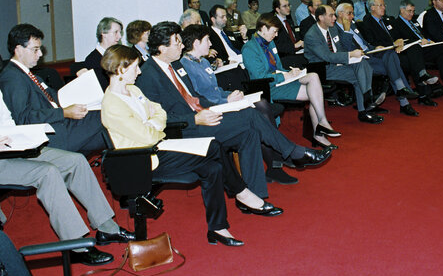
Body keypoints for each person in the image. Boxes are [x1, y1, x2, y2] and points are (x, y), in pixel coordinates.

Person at [0, 43, 135, 265]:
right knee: (47, 173)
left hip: (5, 149)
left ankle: (107, 227)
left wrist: (21, 135)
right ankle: (75, 245)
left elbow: (6, 122)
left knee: (75, 161)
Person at [101, 45, 279, 247]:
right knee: (213, 148)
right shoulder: (112, 105)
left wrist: (153, 123)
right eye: (135, 67)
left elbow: (159, 112)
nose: (140, 72)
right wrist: (154, 125)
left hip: (160, 146)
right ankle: (242, 193)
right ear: (121, 70)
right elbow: (148, 137)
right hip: (143, 159)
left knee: (213, 167)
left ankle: (218, 228)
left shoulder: (132, 90)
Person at [135, 22, 330, 201]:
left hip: (203, 115)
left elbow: (194, 97)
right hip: (185, 128)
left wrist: (216, 105)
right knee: (251, 115)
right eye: (176, 42)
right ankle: (292, 152)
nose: (181, 45)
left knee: (249, 132)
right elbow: (157, 118)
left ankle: (256, 196)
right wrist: (195, 119)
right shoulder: (148, 75)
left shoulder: (175, 65)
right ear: (162, 48)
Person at [179, 24, 303, 185]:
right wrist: (226, 100)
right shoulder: (185, 65)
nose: (210, 44)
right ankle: (278, 162)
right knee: (260, 111)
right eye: (207, 40)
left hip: (224, 102)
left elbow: (215, 89)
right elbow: (199, 98)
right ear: (196, 43)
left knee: (262, 105)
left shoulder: (202, 62)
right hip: (213, 110)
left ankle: (277, 164)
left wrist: (229, 95)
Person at [0, 24, 108, 155]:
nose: (40, 54)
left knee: (110, 130)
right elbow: (23, 118)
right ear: (19, 49)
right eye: (35, 49)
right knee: (108, 116)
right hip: (52, 134)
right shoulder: (12, 78)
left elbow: (55, 97)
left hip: (61, 124)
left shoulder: (31, 75)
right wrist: (64, 113)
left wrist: (81, 86)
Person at [242, 13, 340, 149]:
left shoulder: (269, 43)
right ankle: (319, 132)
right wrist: (285, 76)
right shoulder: (249, 49)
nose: (276, 35)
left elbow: (278, 67)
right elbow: (261, 77)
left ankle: (321, 124)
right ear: (263, 28)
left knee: (313, 77)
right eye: (274, 31)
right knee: (315, 94)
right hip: (269, 87)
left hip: (281, 81)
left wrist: (291, 72)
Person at [303, 5, 386, 124]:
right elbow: (327, 56)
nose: (335, 18)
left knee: (362, 63)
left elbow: (340, 48)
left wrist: (351, 56)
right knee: (359, 75)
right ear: (321, 17)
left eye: (334, 15)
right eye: (331, 15)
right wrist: (350, 55)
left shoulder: (332, 29)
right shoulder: (312, 35)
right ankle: (366, 106)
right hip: (323, 68)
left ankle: (367, 103)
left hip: (338, 63)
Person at [335, 2, 420, 117]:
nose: (353, 16)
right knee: (392, 64)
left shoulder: (353, 25)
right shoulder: (334, 29)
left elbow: (364, 44)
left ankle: (401, 96)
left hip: (369, 54)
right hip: (357, 61)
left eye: (353, 14)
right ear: (340, 14)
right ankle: (403, 99)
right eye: (349, 13)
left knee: (391, 54)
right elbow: (346, 50)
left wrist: (375, 47)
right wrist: (346, 30)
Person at [81, 17, 123, 89]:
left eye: (120, 32)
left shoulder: (119, 54)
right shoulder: (92, 60)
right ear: (104, 33)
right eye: (116, 32)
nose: (119, 36)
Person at [272, 0, 307, 69]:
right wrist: (294, 46)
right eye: (284, 6)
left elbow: (295, 38)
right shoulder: (274, 24)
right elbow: (277, 46)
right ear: (277, 9)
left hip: (297, 53)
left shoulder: (289, 21)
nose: (288, 8)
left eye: (288, 5)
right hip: (285, 57)